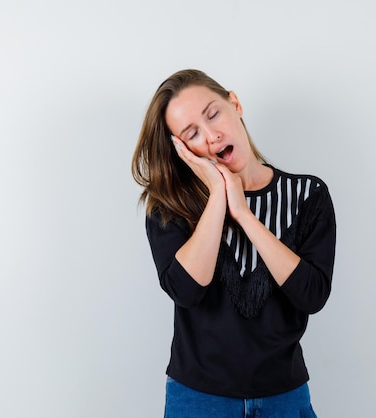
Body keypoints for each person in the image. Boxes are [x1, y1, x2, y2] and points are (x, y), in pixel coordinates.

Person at [131, 69, 336, 418]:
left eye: (213, 114)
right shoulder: (170, 207)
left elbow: (312, 295)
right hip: (198, 399)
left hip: (283, 396)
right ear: (181, 150)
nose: (212, 135)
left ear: (234, 104)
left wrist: (244, 214)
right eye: (192, 133)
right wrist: (217, 197)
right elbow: (185, 290)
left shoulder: (307, 195)